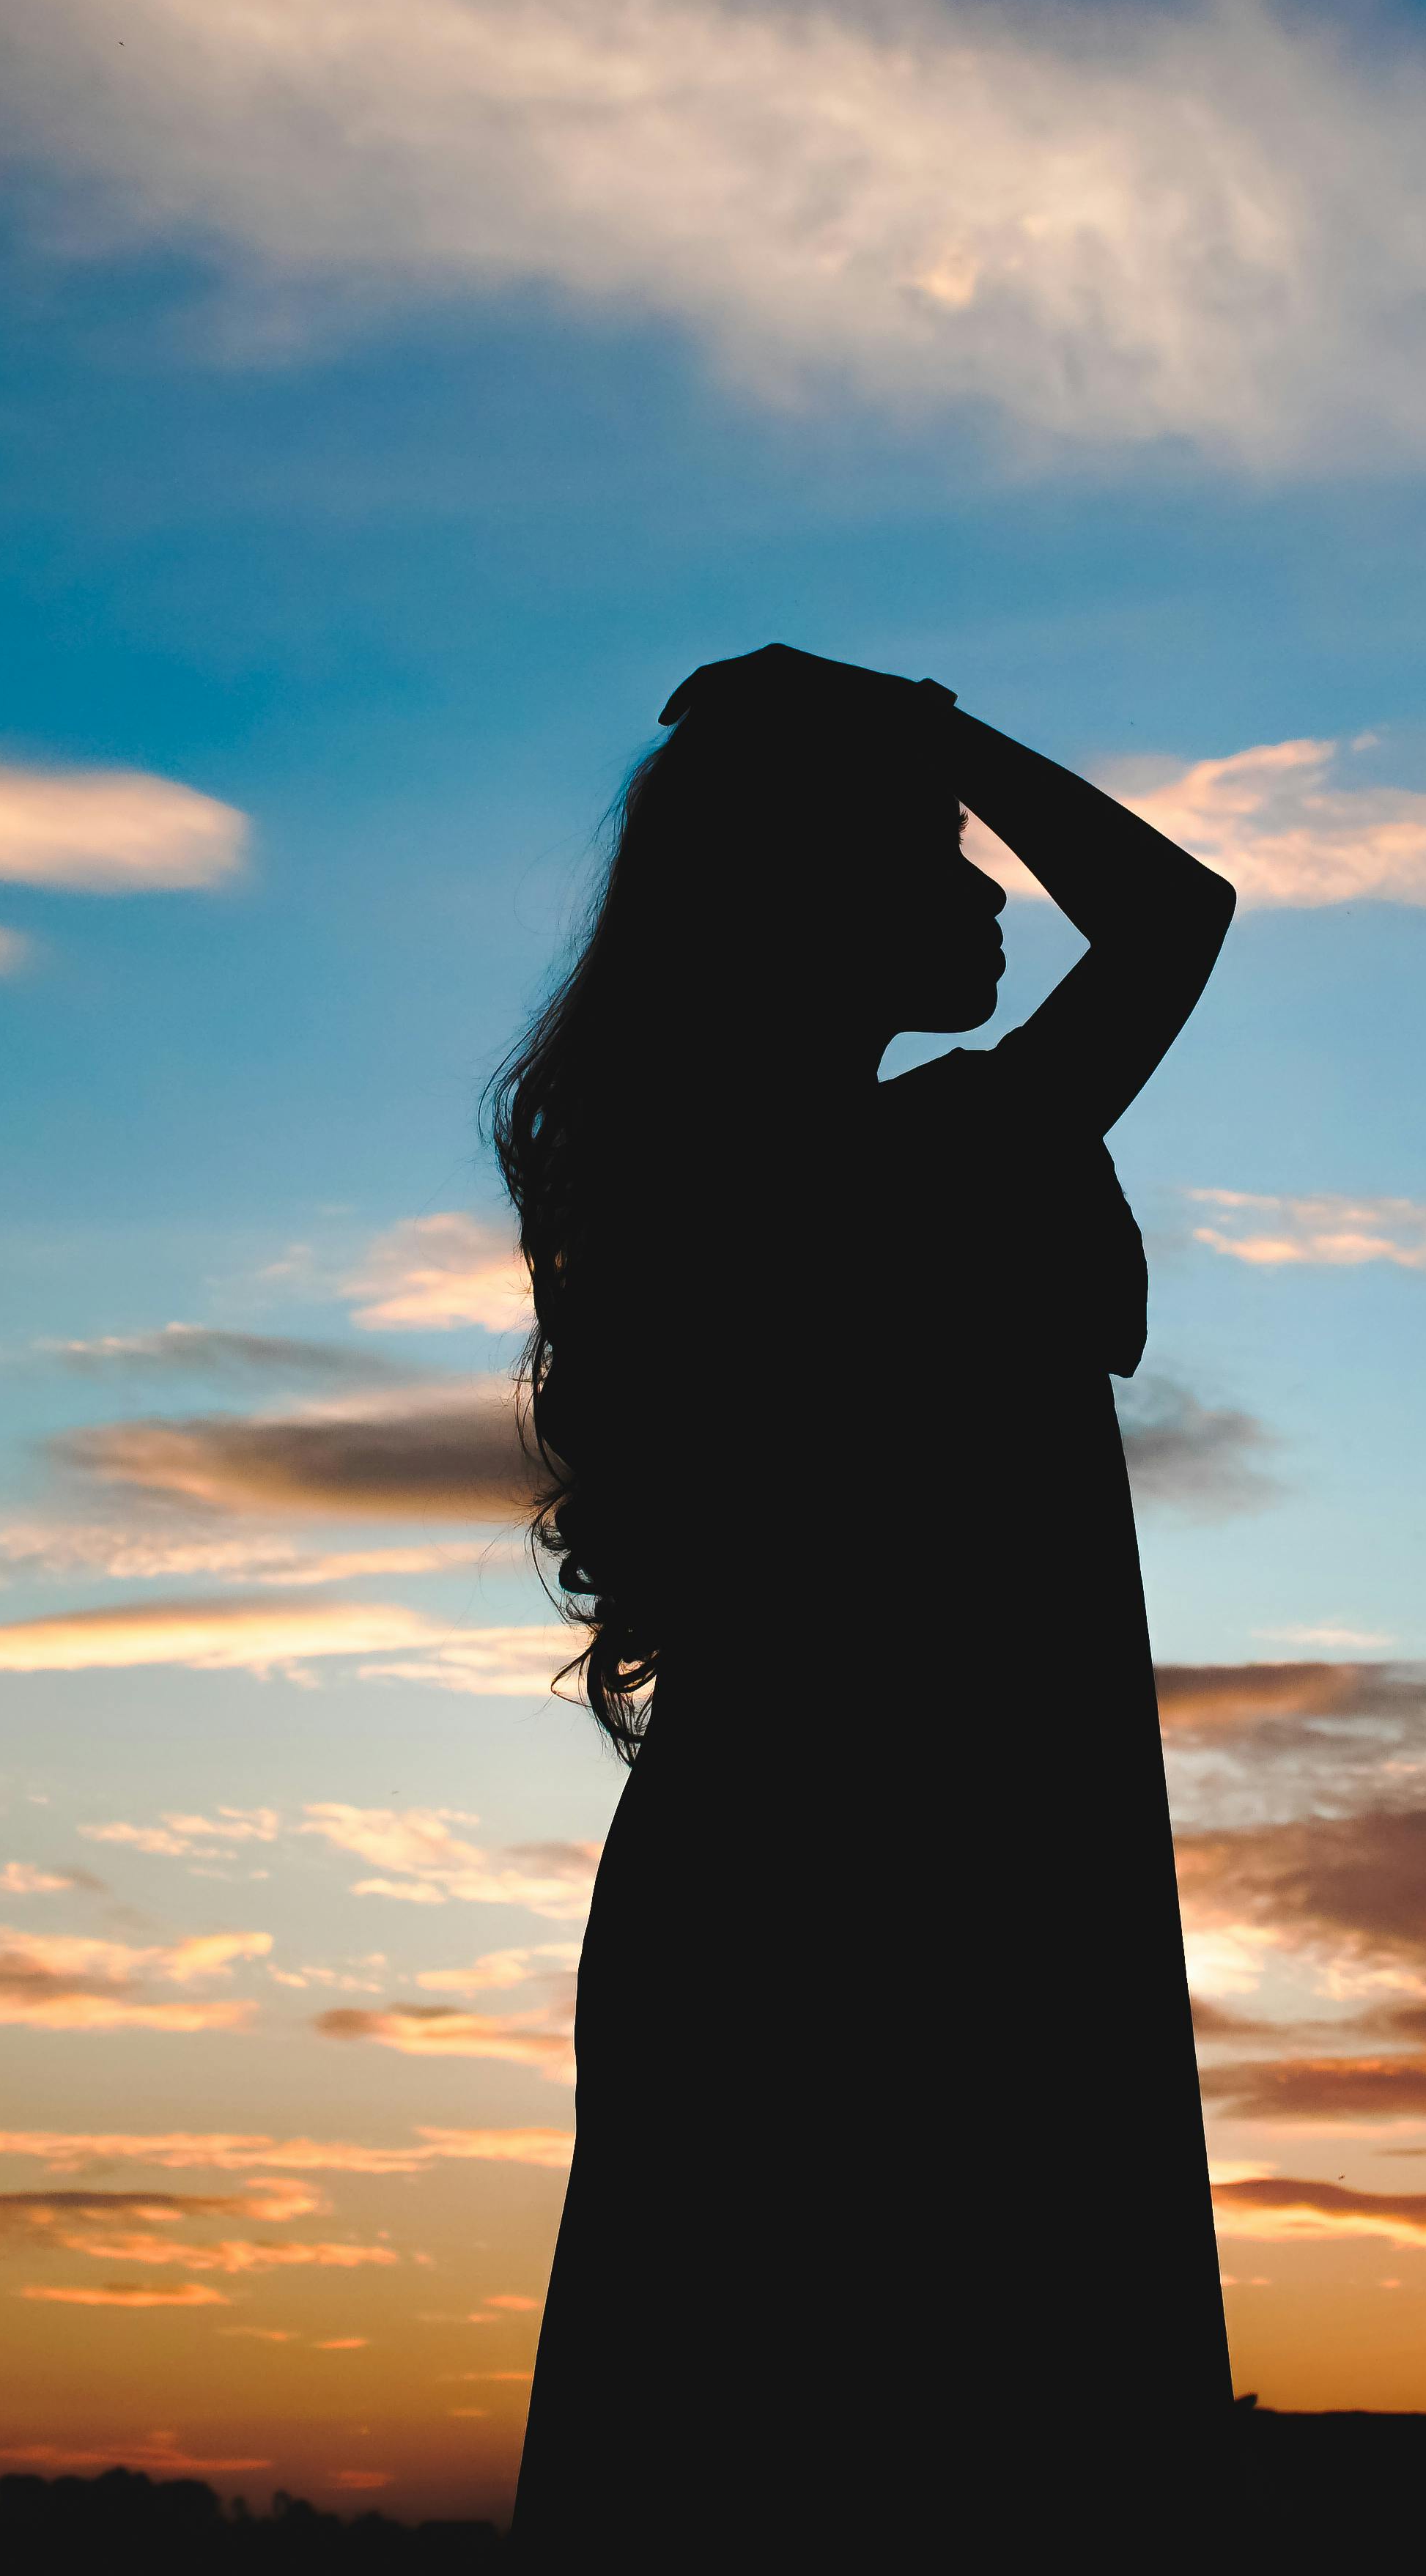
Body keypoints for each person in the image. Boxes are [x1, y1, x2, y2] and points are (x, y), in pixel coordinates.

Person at [498, 646, 1238, 2559]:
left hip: (771, 1880)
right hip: (919, 1901)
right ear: (815, 903)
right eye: (939, 852)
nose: (992, 888)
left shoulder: (708, 1190)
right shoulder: (942, 1161)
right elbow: (1174, 914)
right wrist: (929, 724)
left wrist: (908, 747)